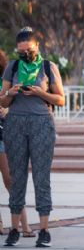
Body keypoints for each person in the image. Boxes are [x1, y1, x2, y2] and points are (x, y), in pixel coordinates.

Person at [1, 27, 65, 248]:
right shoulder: (13, 66)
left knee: (41, 177)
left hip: (41, 123)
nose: (24, 54)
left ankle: (44, 230)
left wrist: (39, 93)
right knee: (16, 177)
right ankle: (15, 229)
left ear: (37, 45)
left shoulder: (48, 66)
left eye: (28, 50)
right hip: (15, 123)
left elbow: (60, 100)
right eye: (20, 51)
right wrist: (10, 93)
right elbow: (3, 101)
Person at [0, 49, 34, 238]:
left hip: (3, 132)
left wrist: (6, 105)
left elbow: (10, 100)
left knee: (10, 180)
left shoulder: (7, 76)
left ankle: (25, 224)